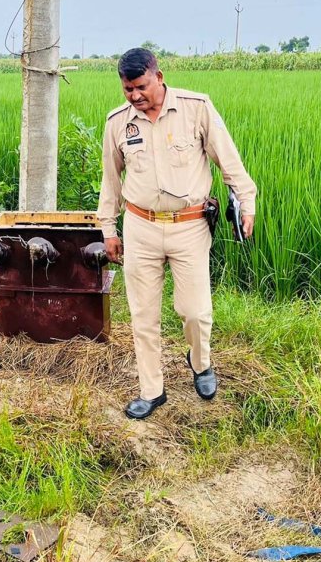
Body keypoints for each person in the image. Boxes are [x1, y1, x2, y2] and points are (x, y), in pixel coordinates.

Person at [97, 48, 256, 419]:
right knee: (143, 315)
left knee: (195, 312)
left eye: (141, 86)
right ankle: (152, 391)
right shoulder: (118, 123)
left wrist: (246, 203)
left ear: (160, 76)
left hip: (189, 227)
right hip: (140, 228)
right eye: (127, 89)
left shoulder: (196, 108)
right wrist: (108, 228)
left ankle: (200, 363)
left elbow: (229, 162)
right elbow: (111, 180)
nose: (135, 96)